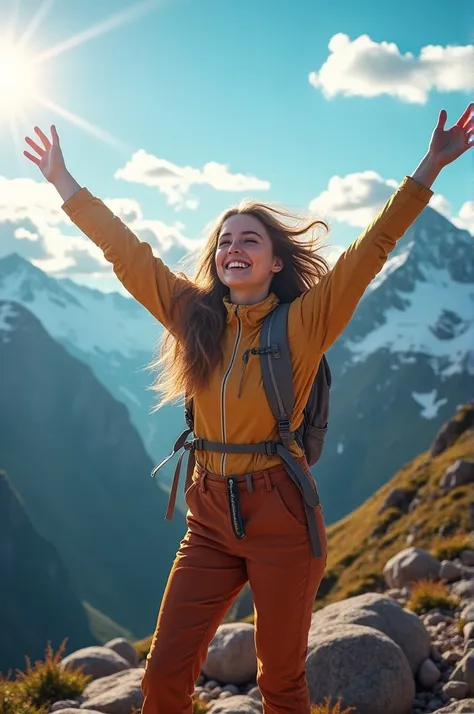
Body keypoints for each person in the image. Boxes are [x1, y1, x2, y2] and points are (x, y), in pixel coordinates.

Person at [24, 103, 472, 714]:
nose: (234, 248)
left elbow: (373, 248)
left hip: (282, 516)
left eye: (250, 240)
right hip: (208, 515)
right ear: (216, 260)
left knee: (282, 684)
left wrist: (430, 165)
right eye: (225, 241)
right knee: (161, 676)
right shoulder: (193, 317)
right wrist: (65, 184)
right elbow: (127, 254)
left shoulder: (307, 322)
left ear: (276, 261)